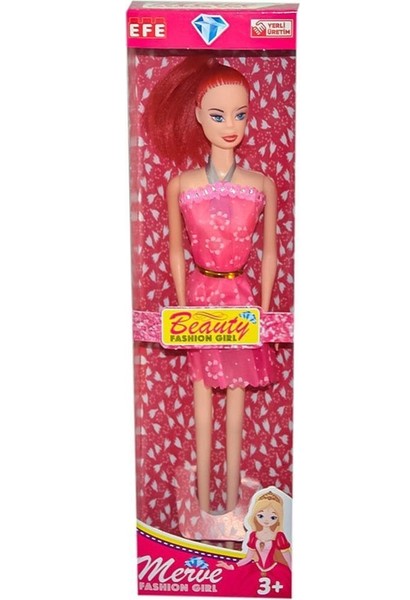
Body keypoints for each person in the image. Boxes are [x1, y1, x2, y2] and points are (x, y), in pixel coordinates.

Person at [144, 56, 278, 515]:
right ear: (199, 115)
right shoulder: (181, 184)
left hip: (241, 300)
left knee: (235, 408)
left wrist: (262, 314)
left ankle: (235, 508)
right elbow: (175, 252)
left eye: (240, 114)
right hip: (201, 298)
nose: (231, 126)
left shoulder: (261, 183)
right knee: (202, 405)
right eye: (219, 115)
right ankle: (202, 508)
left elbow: (270, 253)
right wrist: (184, 307)